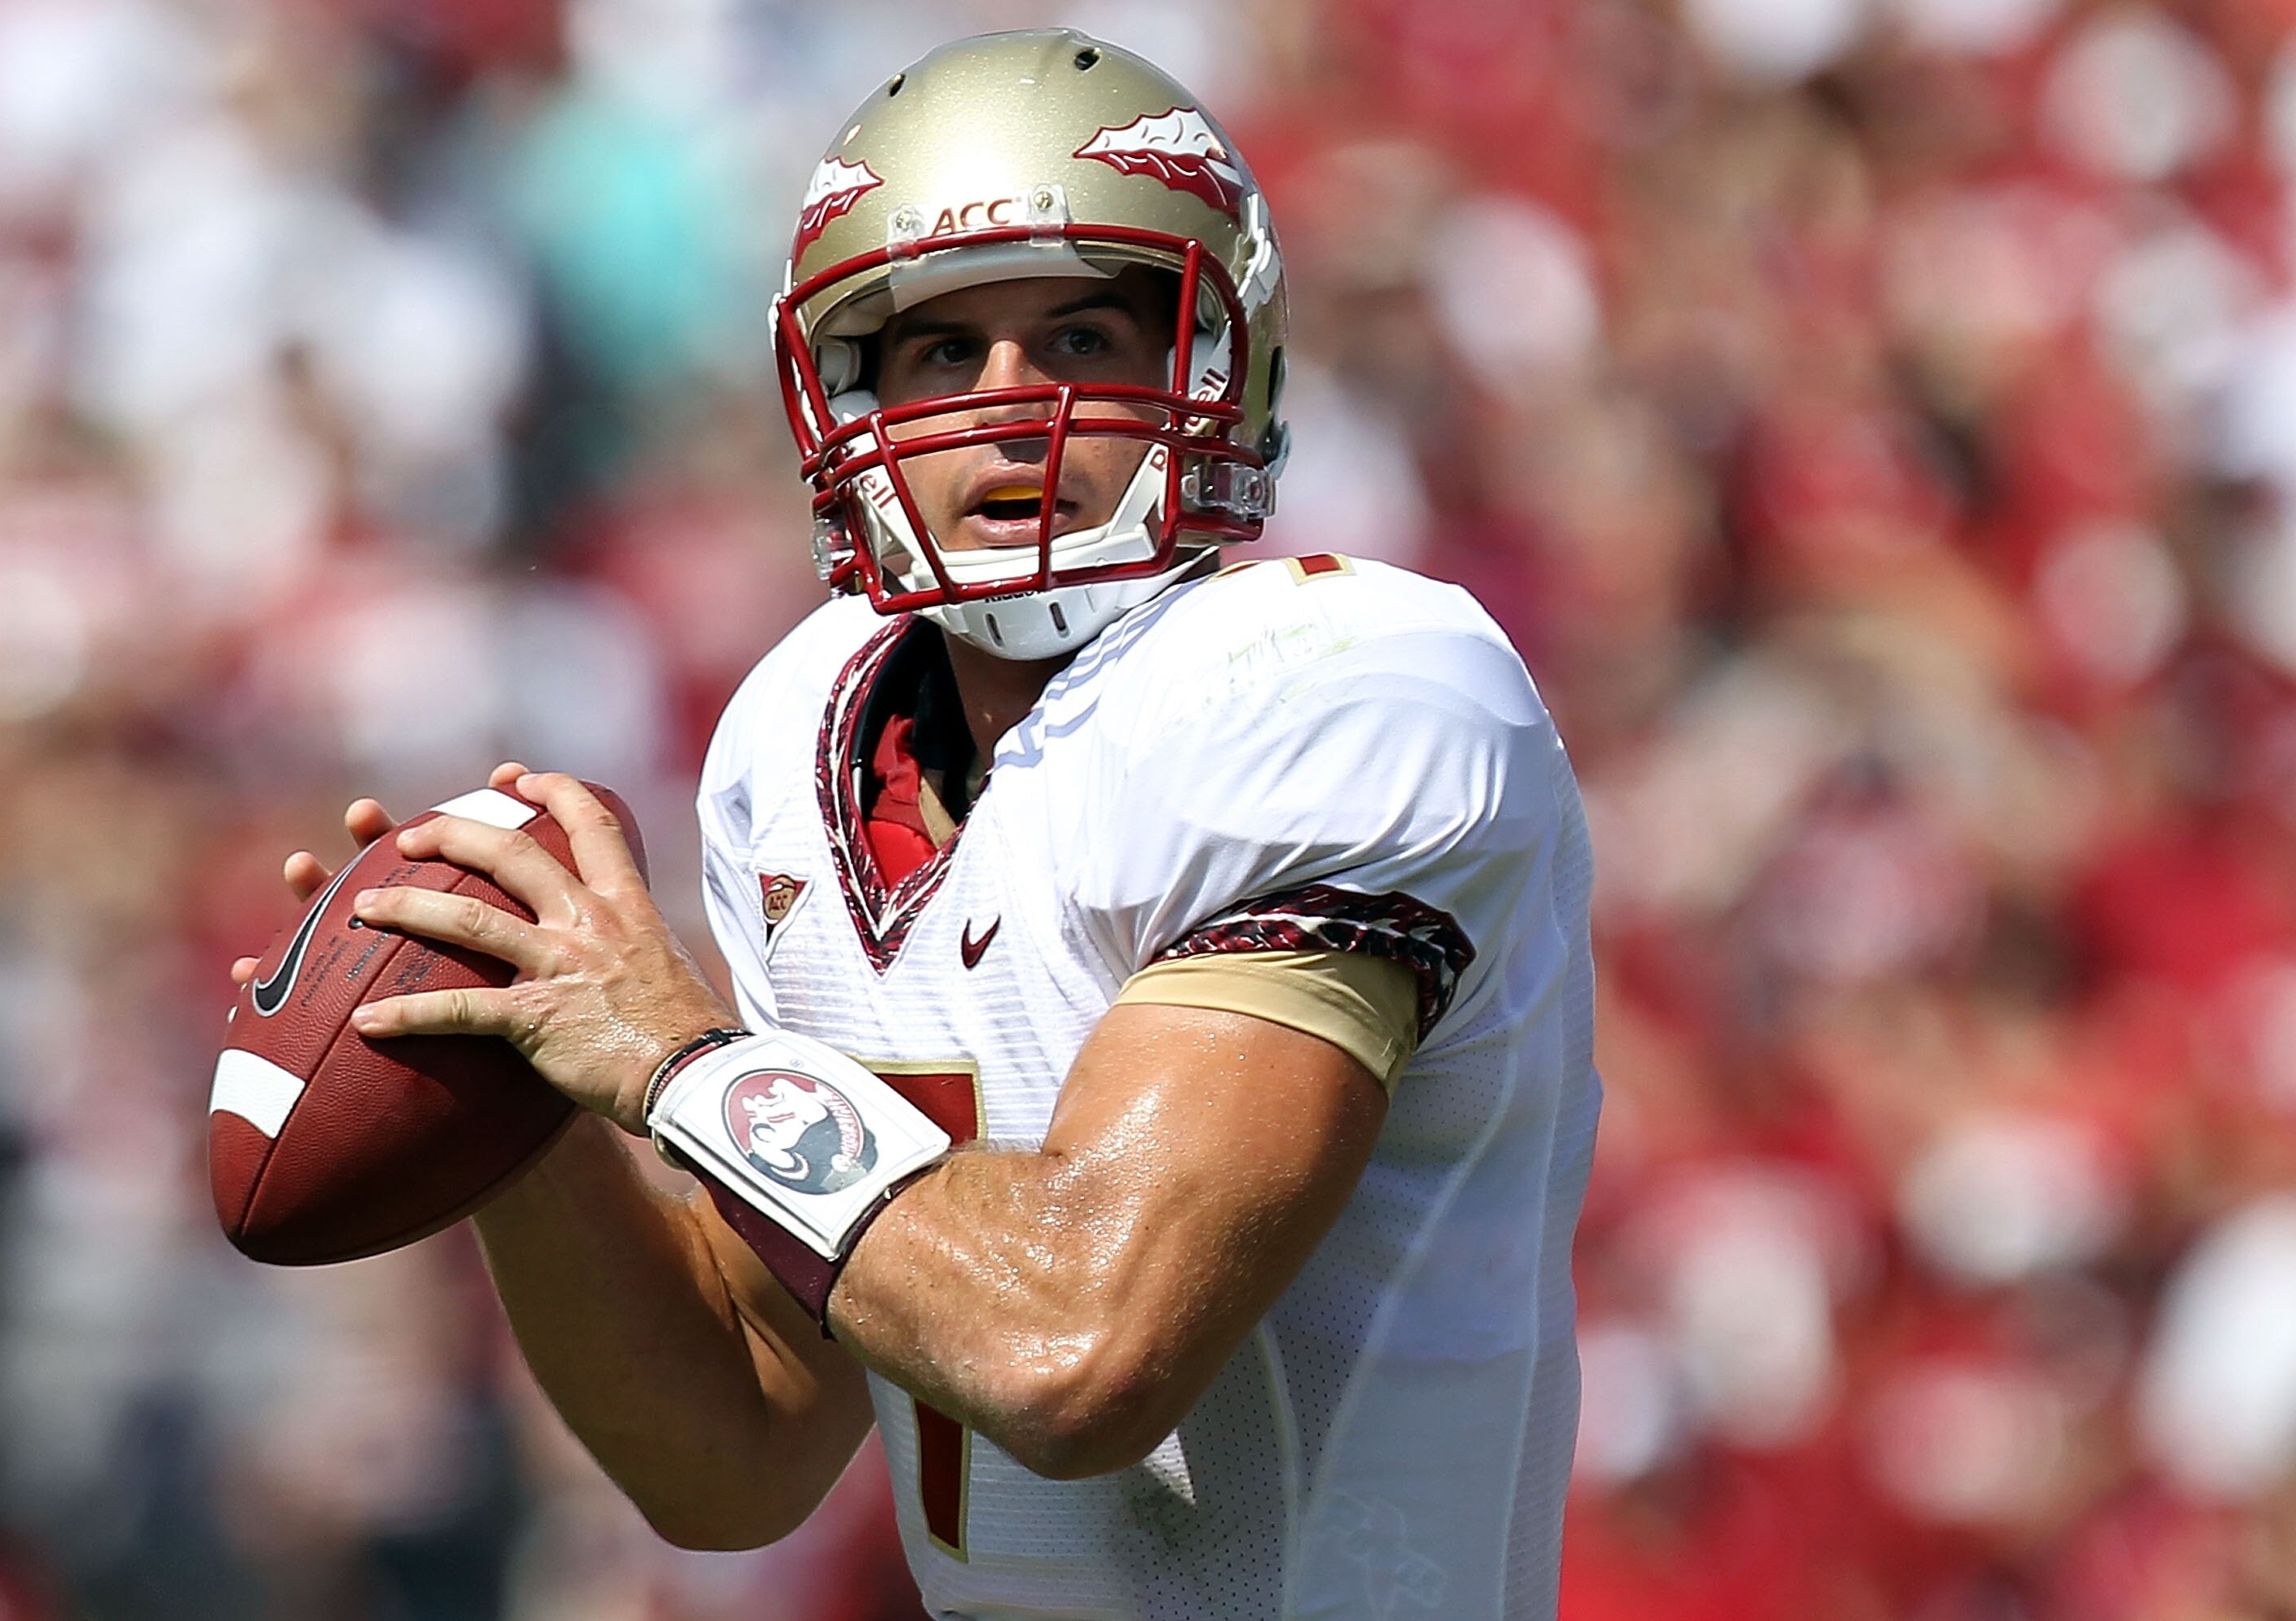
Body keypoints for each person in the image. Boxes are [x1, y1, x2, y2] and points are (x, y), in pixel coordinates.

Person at [233, 31, 1599, 1620]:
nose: (1008, 412)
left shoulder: (1350, 683)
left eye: (1081, 332)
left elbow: (1081, 1348)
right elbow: (734, 1444)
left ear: (1216, 363)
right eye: (943, 352)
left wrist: (678, 1061)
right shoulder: (794, 740)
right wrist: (507, 1076)